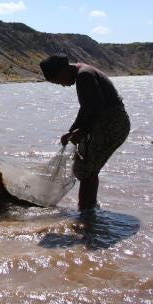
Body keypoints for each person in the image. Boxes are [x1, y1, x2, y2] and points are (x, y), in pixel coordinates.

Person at [40, 54, 130, 211]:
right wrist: (72, 130)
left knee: (87, 169)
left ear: (63, 70)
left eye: (58, 81)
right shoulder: (81, 72)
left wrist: (83, 131)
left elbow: (97, 106)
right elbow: (86, 107)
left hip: (113, 124)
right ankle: (89, 209)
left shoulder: (84, 76)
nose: (61, 85)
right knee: (87, 167)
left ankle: (86, 212)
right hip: (107, 122)